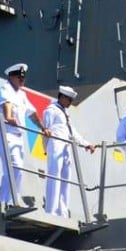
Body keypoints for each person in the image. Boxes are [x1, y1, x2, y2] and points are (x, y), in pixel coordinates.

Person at [42, 85, 95, 217]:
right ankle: (51, 210)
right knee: (54, 177)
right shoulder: (51, 110)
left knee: (66, 179)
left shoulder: (65, 112)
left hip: (66, 146)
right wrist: (46, 149)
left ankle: (62, 211)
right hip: (55, 145)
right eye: (69, 99)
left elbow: (72, 132)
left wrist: (85, 144)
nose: (71, 102)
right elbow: (45, 131)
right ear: (62, 97)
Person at [0, 63, 41, 205]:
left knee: (14, 170)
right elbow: (6, 104)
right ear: (11, 77)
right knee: (15, 168)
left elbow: (32, 114)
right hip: (5, 133)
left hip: (17, 137)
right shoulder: (5, 88)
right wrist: (8, 117)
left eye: (23, 78)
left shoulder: (22, 94)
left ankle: (5, 201)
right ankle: (12, 201)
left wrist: (43, 128)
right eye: (19, 78)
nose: (22, 80)